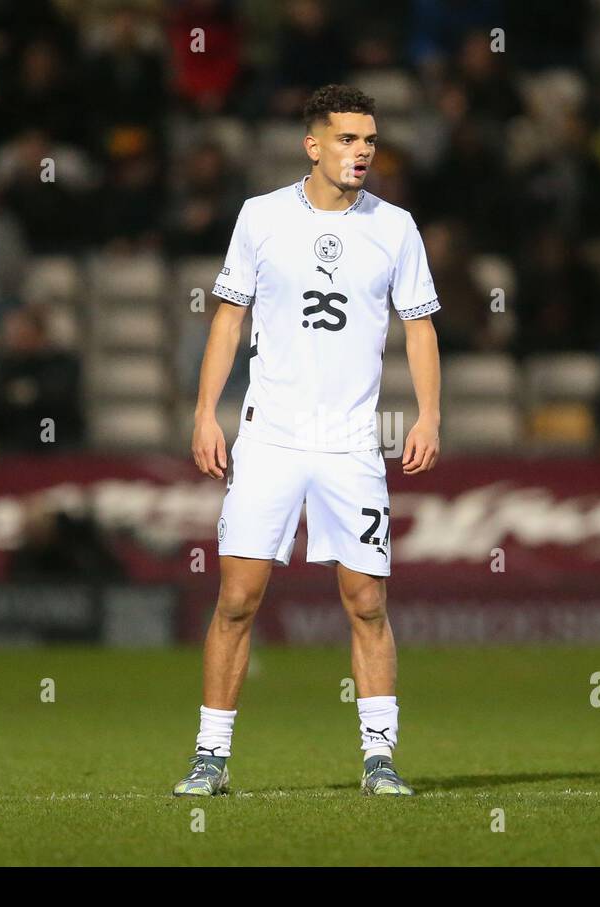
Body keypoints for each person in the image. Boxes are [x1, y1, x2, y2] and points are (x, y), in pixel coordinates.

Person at [175, 85, 442, 798]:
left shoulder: (396, 228)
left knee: (367, 602)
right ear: (313, 145)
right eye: (349, 140)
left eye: (371, 141)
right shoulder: (261, 217)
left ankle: (380, 758)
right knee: (238, 598)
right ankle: (210, 757)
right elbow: (228, 320)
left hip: (352, 444)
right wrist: (207, 412)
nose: (362, 153)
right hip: (270, 439)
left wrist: (429, 415)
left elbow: (419, 326)